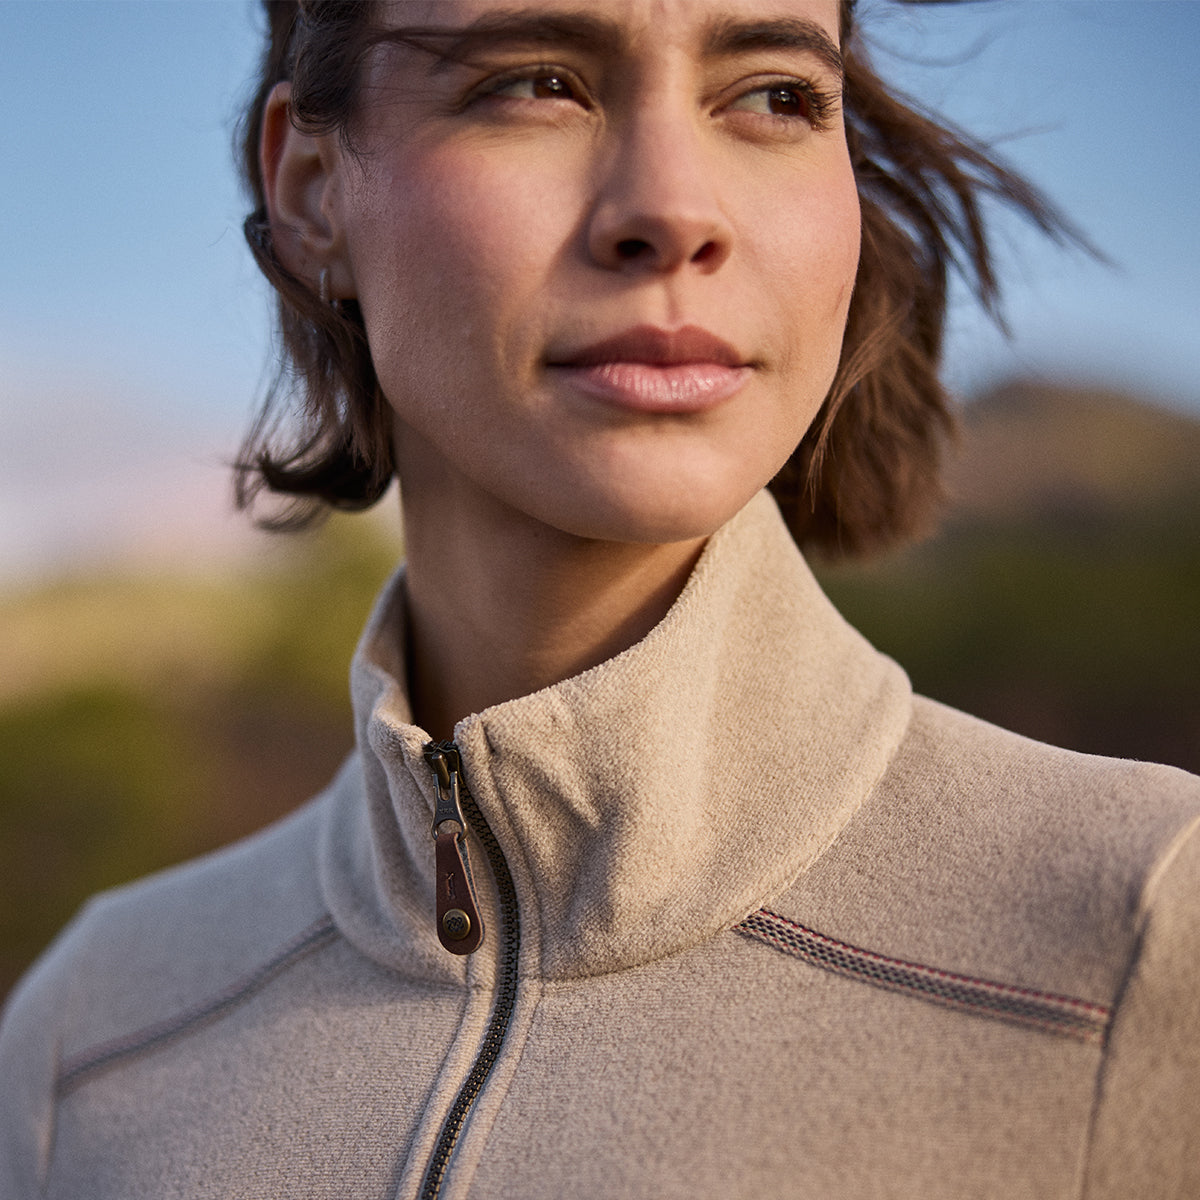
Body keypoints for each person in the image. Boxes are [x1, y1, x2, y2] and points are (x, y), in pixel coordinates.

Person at [2, 0, 1197, 1195]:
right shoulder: (87, 1044)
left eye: (775, 95)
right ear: (313, 188)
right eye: (535, 82)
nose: (674, 212)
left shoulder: (1147, 934)